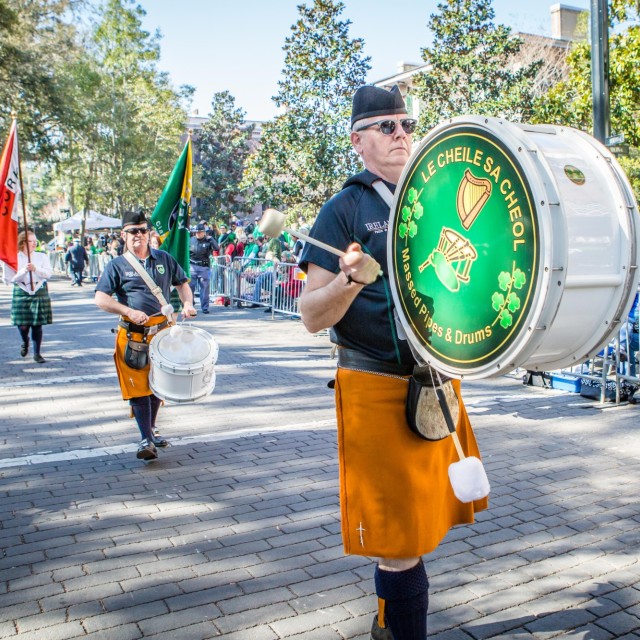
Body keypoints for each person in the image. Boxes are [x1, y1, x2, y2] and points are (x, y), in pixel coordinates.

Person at [298, 85, 488, 640]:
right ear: (358, 141)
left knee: (423, 527)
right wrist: (350, 279)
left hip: (434, 377)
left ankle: (392, 624)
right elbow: (311, 315)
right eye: (387, 127)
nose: (402, 134)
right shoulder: (344, 209)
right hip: (375, 383)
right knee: (397, 541)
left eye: (406, 124)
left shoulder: (437, 197)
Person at [94, 210, 197, 461]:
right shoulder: (116, 265)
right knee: (138, 388)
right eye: (133, 231)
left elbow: (182, 284)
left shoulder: (163, 258)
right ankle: (146, 439)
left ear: (149, 232)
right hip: (133, 337)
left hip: (163, 335)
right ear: (123, 235)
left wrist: (187, 304)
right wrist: (127, 310)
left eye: (142, 230)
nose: (138, 235)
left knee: (158, 386)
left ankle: (150, 431)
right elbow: (101, 298)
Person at [5, 230, 53, 363]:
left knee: (37, 325)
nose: (33, 244)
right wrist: (24, 270)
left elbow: (48, 274)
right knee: (23, 325)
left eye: (35, 241)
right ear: (22, 243)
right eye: (30, 241)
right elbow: (9, 279)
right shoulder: (14, 258)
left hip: (38, 290)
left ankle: (37, 353)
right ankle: (25, 341)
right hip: (22, 290)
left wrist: (36, 269)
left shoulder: (41, 256)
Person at [189, 222, 219, 314]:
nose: (198, 234)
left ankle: (205, 307)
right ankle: (190, 305)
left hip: (204, 267)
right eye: (197, 232)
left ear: (204, 232)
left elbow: (216, 248)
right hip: (192, 266)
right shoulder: (191, 240)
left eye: (200, 232)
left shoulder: (208, 240)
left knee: (204, 288)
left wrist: (212, 240)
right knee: (190, 287)